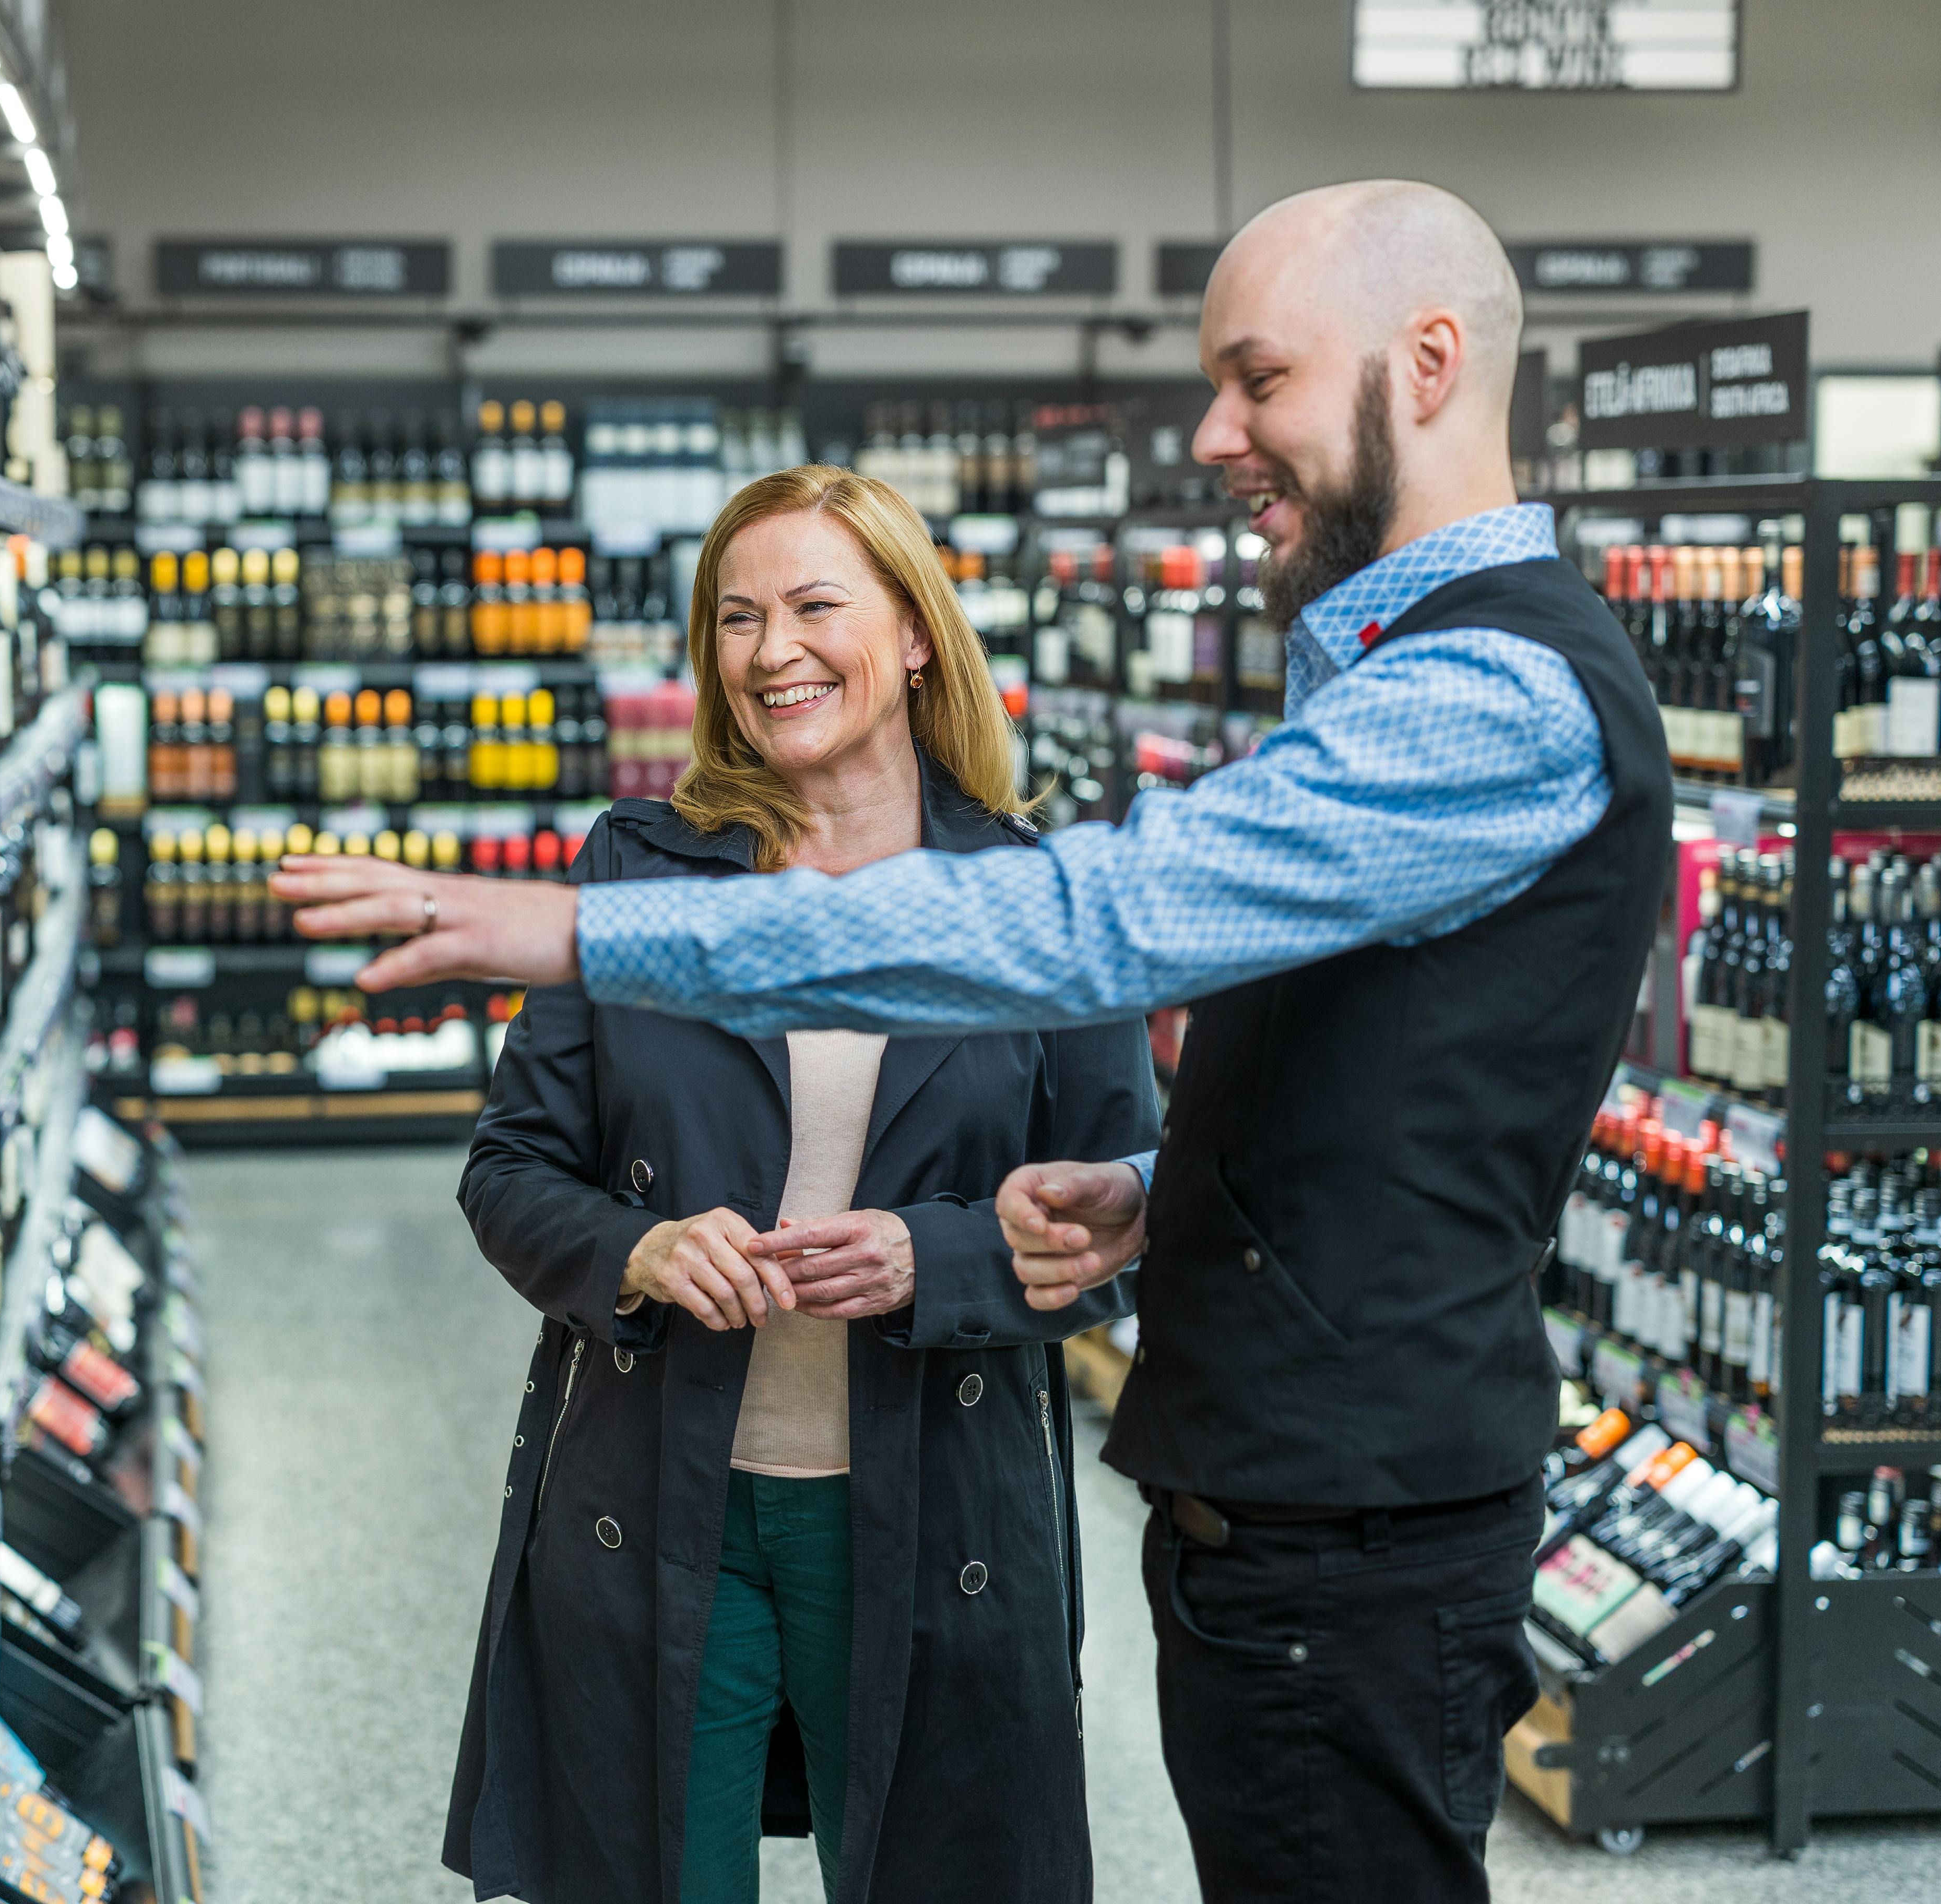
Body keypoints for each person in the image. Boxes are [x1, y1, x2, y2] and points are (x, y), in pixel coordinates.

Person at [279, 179, 1674, 1903]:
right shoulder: (1387, 677)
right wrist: (1161, 1199)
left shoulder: (1483, 692)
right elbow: (1388, 1099)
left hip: (1322, 1522)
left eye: (1256, 378)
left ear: (1431, 360)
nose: (1212, 429)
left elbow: (1094, 926)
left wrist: (569, 933)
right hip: (1250, 1515)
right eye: (737, 616)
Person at [444, 466, 1159, 1904]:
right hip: (660, 1503)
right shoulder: (642, 873)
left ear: (911, 633)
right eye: (736, 617)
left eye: (815, 606)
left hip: (933, 1512)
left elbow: (1128, 1210)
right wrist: (636, 1253)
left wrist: (938, 1259)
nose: (772, 653)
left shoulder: (1042, 897)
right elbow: (510, 1169)